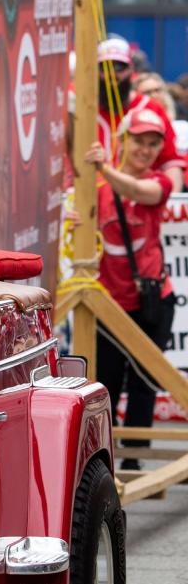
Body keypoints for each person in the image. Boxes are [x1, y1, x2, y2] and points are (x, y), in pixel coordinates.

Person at [86, 109, 177, 469]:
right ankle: (105, 456)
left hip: (152, 299)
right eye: (138, 140)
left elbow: (143, 191)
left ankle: (134, 459)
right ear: (124, 140)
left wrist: (104, 169)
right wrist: (73, 216)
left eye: (153, 143)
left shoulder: (161, 181)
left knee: (145, 381)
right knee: (106, 382)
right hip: (106, 300)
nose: (145, 149)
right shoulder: (95, 189)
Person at [97, 37, 185, 192]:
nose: (113, 74)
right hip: (94, 200)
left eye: (119, 67)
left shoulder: (150, 108)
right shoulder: (83, 111)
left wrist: (170, 205)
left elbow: (171, 162)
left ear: (131, 69)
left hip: (144, 198)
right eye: (106, 67)